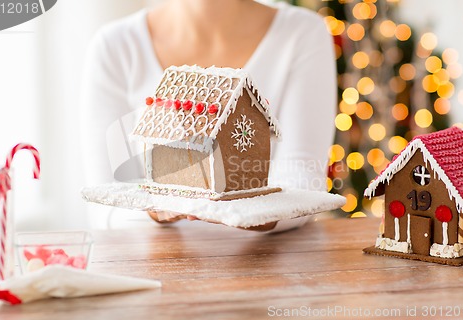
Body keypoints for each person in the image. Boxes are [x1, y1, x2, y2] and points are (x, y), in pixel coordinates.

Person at [80, 0, 336, 232]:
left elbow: (304, 180)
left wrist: (250, 213)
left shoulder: (302, 33)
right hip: (154, 267)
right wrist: (155, 211)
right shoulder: (114, 45)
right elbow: (103, 205)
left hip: (267, 263)